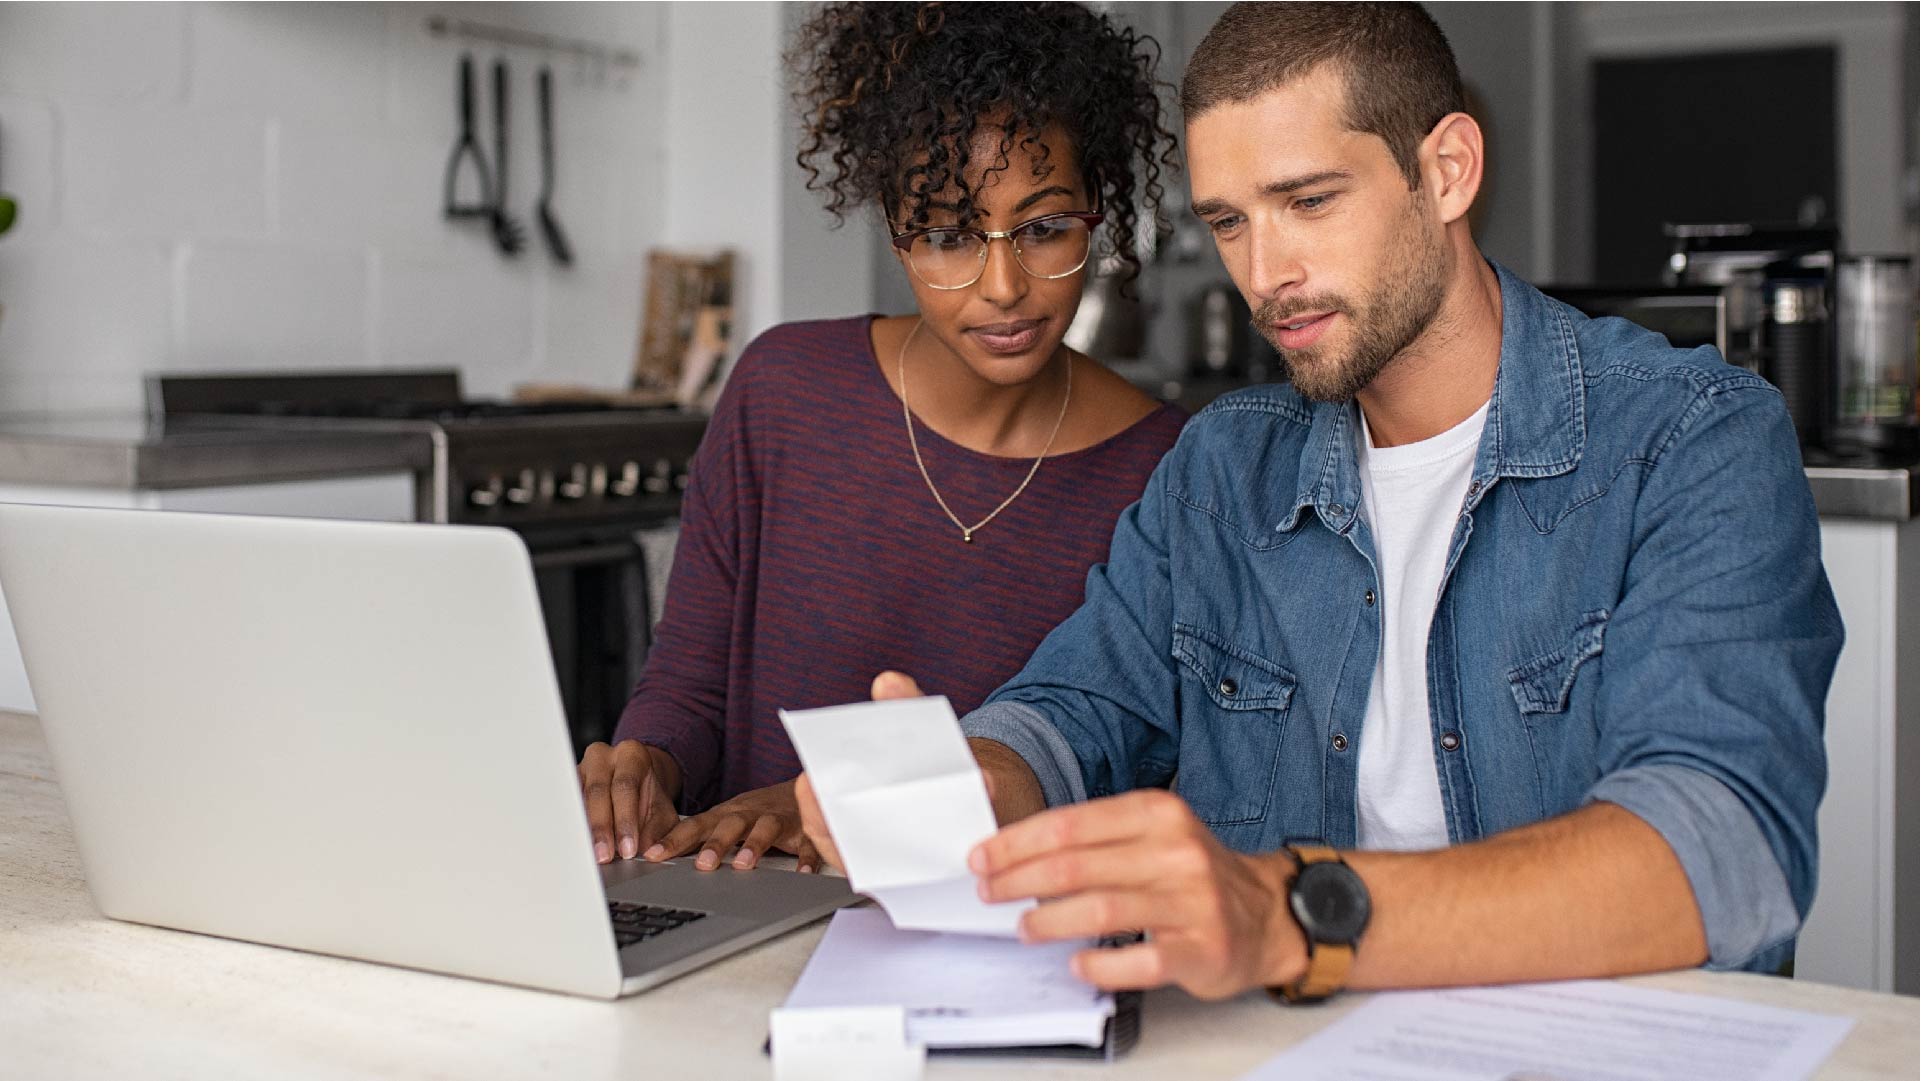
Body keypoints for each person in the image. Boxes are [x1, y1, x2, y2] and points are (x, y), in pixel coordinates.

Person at [800, 1, 1841, 1001]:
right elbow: (1078, 711)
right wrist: (966, 784)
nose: (1266, 273)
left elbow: (1722, 850)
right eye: (1227, 221)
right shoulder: (1222, 467)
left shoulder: (1691, 437)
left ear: (1445, 171)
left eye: (1308, 202)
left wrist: (1292, 915)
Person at [577, 3, 1186, 875]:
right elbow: (690, 686)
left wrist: (818, 807)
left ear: (1100, 209)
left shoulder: (1164, 468)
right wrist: (645, 765)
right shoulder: (781, 391)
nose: (1003, 285)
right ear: (894, 230)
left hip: (993, 943)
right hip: (743, 910)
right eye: (947, 235)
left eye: (1046, 228)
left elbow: (1118, 766)